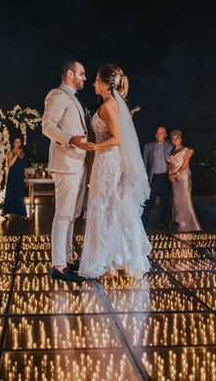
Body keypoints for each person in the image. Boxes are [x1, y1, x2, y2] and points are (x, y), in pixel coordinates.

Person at [78, 64, 151, 280]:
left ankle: (103, 260)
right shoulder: (113, 104)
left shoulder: (108, 106)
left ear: (105, 84)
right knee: (111, 207)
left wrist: (93, 147)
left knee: (101, 206)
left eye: (96, 80)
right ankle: (115, 260)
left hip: (107, 160)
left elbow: (116, 138)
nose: (93, 83)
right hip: (108, 159)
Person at [42, 60, 90, 283]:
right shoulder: (57, 95)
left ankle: (68, 259)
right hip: (65, 163)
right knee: (63, 215)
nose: (85, 78)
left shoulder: (74, 99)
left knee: (71, 215)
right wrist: (70, 140)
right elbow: (47, 126)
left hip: (77, 163)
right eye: (81, 73)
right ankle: (58, 265)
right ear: (70, 74)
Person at [167, 130, 202, 231]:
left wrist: (176, 174)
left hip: (183, 178)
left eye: (177, 138)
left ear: (181, 139)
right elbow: (169, 165)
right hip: (174, 180)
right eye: (173, 139)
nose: (175, 140)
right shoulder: (170, 153)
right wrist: (170, 175)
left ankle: (191, 225)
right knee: (176, 201)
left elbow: (186, 164)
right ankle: (178, 223)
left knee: (185, 200)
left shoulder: (186, 150)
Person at [141, 126, 173, 230]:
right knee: (149, 201)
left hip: (165, 178)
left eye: (161, 133)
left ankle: (161, 223)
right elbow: (145, 165)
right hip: (153, 178)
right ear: (156, 134)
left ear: (165, 135)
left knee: (165, 202)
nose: (159, 135)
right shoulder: (148, 147)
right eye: (158, 133)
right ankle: (143, 223)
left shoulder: (170, 146)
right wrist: (145, 180)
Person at [2, 137, 29, 218]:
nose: (18, 144)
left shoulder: (22, 153)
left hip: (20, 177)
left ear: (20, 143)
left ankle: (22, 214)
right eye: (16, 142)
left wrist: (26, 177)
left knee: (20, 195)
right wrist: (16, 156)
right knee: (11, 194)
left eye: (19, 142)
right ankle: (5, 212)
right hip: (13, 177)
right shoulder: (11, 153)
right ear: (13, 143)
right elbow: (9, 165)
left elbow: (23, 166)